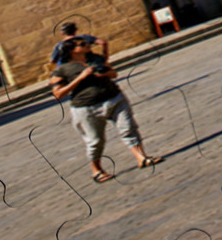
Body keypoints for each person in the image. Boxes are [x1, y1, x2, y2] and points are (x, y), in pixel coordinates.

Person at [49, 40, 162, 183]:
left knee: (129, 128)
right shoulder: (61, 70)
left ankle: (142, 158)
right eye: (82, 44)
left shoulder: (96, 59)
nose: (87, 44)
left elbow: (114, 74)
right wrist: (81, 77)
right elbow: (58, 94)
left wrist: (104, 74)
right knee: (95, 141)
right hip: (86, 108)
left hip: (114, 98)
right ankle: (97, 171)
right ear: (72, 50)